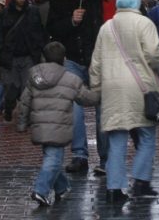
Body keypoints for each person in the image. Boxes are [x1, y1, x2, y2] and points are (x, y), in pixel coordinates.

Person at [90, 0, 159, 203]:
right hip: (139, 88)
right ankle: (141, 180)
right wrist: (153, 64)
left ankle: (114, 189)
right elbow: (154, 55)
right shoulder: (144, 23)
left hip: (112, 89)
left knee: (116, 139)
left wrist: (96, 87)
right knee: (147, 135)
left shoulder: (107, 27)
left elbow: (96, 62)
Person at [17, 41, 99, 207]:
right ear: (65, 59)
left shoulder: (35, 77)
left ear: (44, 58)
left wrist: (22, 123)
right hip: (59, 127)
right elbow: (86, 98)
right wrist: (101, 94)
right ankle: (41, 190)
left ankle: (62, 187)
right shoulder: (71, 79)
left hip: (40, 127)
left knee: (51, 157)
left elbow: (24, 102)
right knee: (53, 160)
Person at [47, 0, 104, 175]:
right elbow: (52, 30)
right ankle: (80, 155)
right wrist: (71, 21)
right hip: (71, 58)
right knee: (74, 109)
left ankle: (104, 157)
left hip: (96, 60)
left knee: (101, 109)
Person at [0, 0, 46, 122]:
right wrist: (1, 52)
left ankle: (25, 117)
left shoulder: (33, 12)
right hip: (11, 56)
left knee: (27, 89)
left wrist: (39, 50)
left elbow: (39, 32)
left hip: (28, 55)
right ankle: (8, 108)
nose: (22, 0)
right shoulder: (5, 13)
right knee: (11, 89)